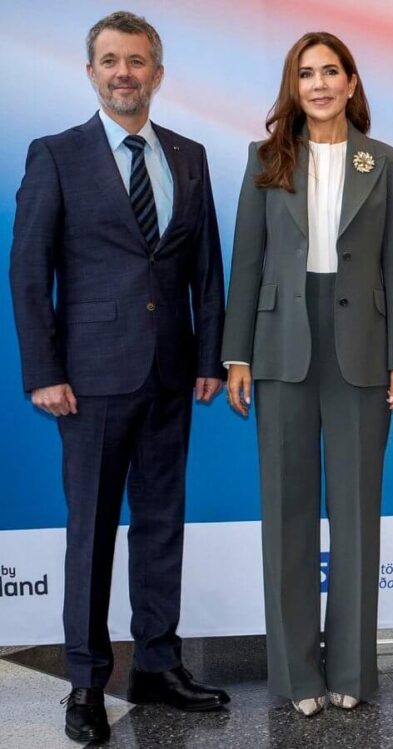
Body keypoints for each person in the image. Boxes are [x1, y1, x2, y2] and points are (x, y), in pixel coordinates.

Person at [8, 11, 229, 743]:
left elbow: (206, 269)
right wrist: (43, 370)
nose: (124, 73)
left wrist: (207, 358)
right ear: (91, 71)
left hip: (171, 374)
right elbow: (28, 269)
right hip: (90, 378)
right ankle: (85, 681)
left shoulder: (190, 155)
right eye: (110, 61)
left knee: (161, 524)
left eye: (137, 61)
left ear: (157, 73)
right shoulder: (57, 153)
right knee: (93, 530)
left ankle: (158, 665)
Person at [221, 32, 393, 717]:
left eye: (332, 71)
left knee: (357, 513)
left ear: (353, 82)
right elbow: (247, 259)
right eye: (307, 73)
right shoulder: (265, 158)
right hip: (280, 345)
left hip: (360, 347)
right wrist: (236, 353)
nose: (320, 83)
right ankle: (298, 674)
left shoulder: (387, 162)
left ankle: (352, 670)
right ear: (294, 87)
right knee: (288, 512)